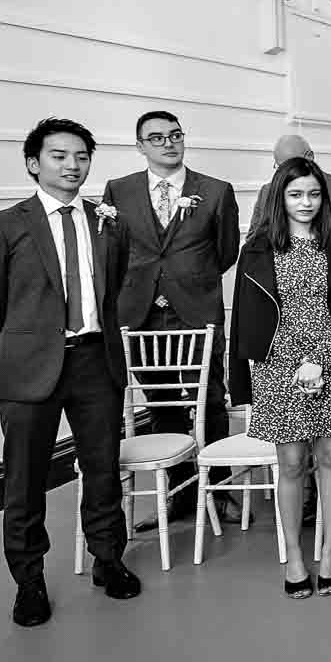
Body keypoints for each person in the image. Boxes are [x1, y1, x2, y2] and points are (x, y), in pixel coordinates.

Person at [0, 117, 139, 626]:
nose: (72, 166)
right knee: (25, 478)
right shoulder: (3, 226)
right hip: (30, 368)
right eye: (60, 156)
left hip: (94, 360)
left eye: (81, 157)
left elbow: (114, 288)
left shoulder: (109, 223)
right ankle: (29, 581)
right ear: (33, 163)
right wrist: (29, 343)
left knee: (103, 468)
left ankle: (109, 560)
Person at [227, 158, 331, 598]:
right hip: (279, 368)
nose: (306, 202)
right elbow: (247, 319)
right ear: (280, 197)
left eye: (314, 194)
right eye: (296, 194)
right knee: (292, 464)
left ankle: (329, 552)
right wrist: (281, 368)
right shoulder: (257, 248)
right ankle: (295, 555)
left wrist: (321, 360)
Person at [101, 110, 240, 522]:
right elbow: (112, 250)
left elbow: (226, 251)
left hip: (197, 309)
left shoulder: (215, 191)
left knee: (211, 399)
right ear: (140, 145)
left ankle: (218, 489)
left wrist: (186, 279)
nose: (168, 143)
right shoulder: (118, 191)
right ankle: (181, 494)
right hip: (140, 313)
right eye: (157, 138)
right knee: (162, 406)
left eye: (175, 135)